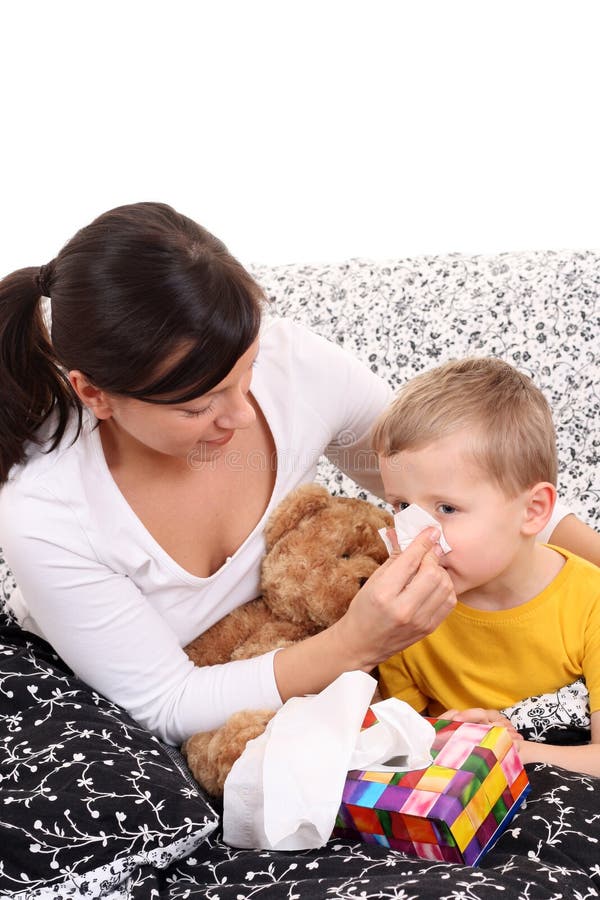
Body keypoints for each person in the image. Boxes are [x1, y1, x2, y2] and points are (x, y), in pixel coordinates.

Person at [0, 203, 596, 750]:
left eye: (246, 370)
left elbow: (469, 479)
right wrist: (356, 644)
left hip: (300, 647)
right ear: (95, 394)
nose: (239, 414)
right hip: (159, 703)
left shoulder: (295, 368)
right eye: (196, 405)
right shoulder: (47, 513)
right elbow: (165, 702)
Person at [373, 357, 600, 776]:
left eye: (446, 508)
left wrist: (513, 752)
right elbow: (388, 751)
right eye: (402, 506)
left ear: (533, 511)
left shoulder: (590, 603)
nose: (415, 536)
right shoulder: (406, 613)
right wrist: (436, 735)